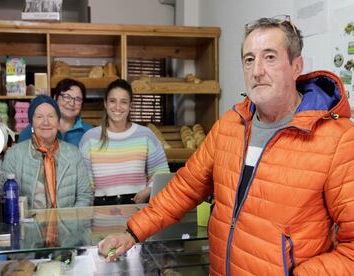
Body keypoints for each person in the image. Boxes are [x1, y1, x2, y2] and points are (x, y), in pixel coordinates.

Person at [98, 16, 354, 275]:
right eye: (249, 59)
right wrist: (133, 232)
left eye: (270, 57)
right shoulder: (230, 126)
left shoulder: (338, 139)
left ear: (296, 65)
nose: (257, 71)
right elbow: (184, 188)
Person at [79, 79, 170, 205]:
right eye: (112, 101)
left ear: (130, 106)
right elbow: (84, 183)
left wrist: (149, 190)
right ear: (105, 104)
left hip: (138, 205)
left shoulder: (145, 135)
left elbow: (161, 171)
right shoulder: (90, 138)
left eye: (124, 102)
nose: (117, 107)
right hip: (101, 208)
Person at [0, 95, 92, 209]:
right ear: (32, 123)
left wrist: (70, 222)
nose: (45, 122)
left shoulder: (73, 154)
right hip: (28, 226)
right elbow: (0, 195)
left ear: (58, 122)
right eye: (39, 117)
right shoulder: (15, 154)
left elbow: (85, 196)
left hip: (67, 225)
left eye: (51, 116)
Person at [18, 78, 92, 147]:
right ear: (55, 97)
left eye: (77, 99)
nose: (71, 103)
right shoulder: (36, 128)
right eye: (66, 97)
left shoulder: (89, 132)